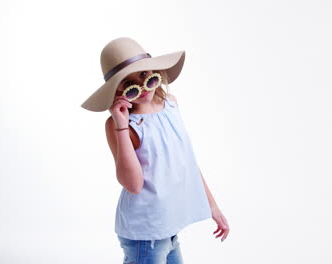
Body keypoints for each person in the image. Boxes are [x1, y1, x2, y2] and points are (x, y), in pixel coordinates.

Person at [81, 37, 230, 264]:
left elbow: (187, 161)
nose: (141, 87)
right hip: (145, 233)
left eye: (144, 75)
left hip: (168, 226)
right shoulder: (121, 125)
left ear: (155, 72)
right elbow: (133, 184)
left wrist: (213, 206)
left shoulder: (170, 104)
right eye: (129, 84)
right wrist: (121, 125)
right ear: (117, 90)